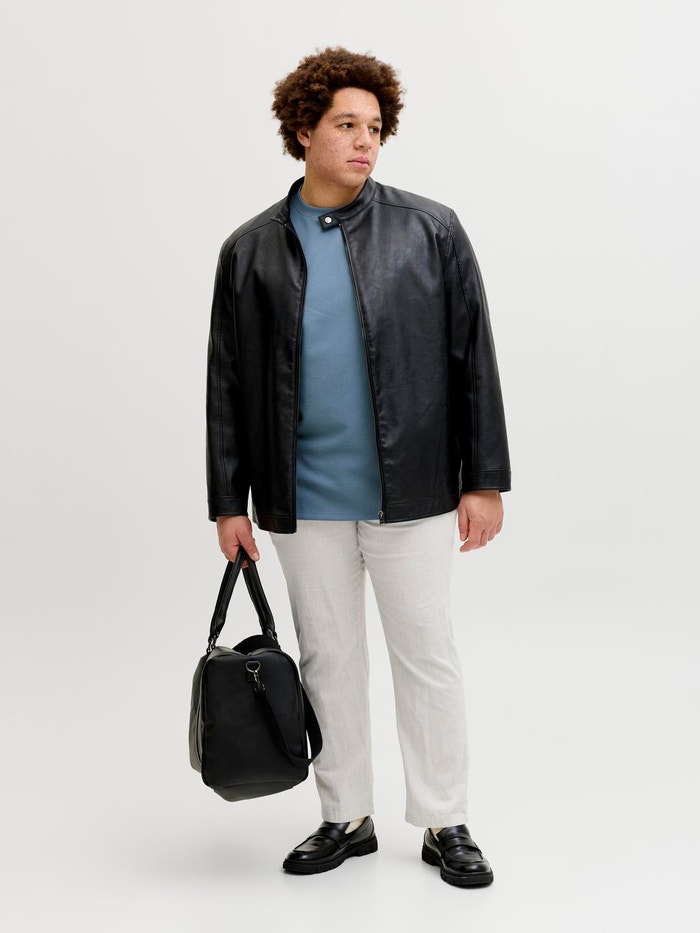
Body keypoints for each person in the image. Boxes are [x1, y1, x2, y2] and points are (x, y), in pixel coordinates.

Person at [205, 46, 511, 887]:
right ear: (303, 130)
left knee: (426, 653)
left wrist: (483, 478)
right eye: (346, 124)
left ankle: (444, 819)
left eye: (375, 127)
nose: (365, 141)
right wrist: (228, 499)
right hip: (302, 498)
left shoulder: (431, 230)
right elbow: (227, 383)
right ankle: (346, 814)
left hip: (413, 490)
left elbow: (473, 358)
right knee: (328, 658)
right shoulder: (249, 250)